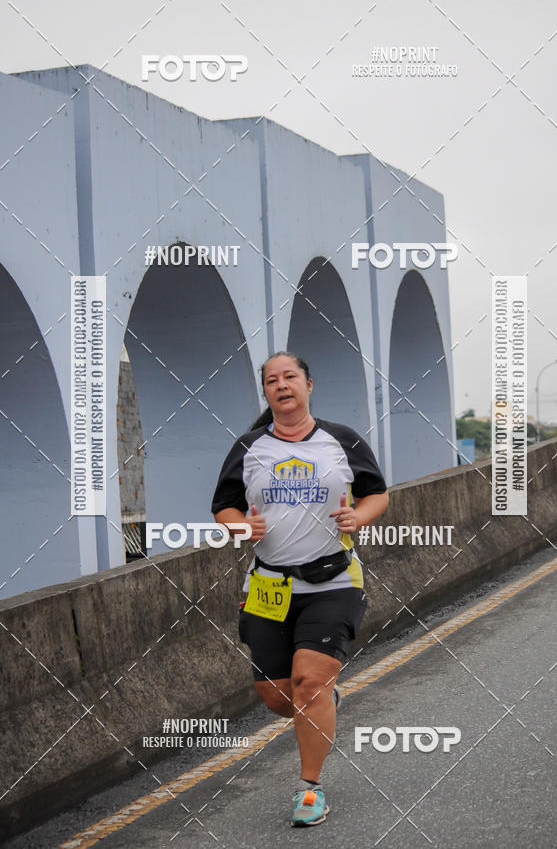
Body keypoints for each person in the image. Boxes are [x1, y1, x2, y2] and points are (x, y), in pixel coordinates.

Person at [211, 351, 389, 826]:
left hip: (333, 581)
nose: (282, 385)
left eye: (290, 377)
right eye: (272, 380)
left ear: (310, 385)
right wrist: (239, 529)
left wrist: (359, 516)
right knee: (276, 696)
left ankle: (310, 789)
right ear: (266, 393)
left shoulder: (343, 440)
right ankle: (321, 704)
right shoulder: (249, 446)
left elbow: (378, 492)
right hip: (270, 585)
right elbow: (224, 506)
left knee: (311, 681)